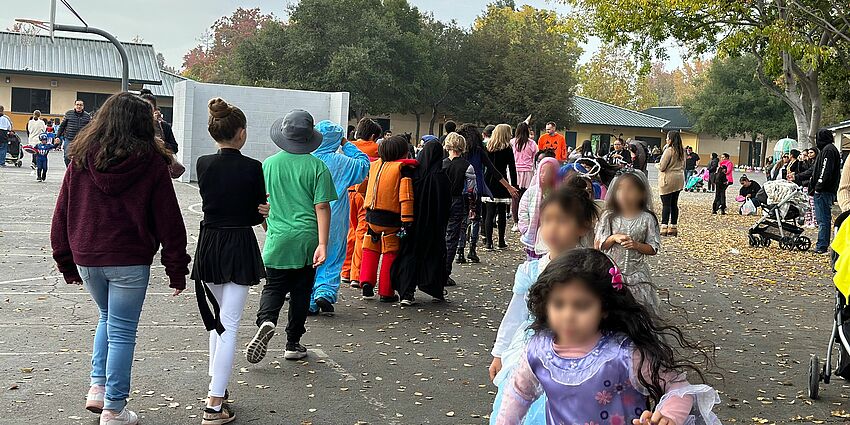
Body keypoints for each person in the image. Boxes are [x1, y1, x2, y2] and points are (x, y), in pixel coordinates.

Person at [50, 92, 190, 425]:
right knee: (123, 330)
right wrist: (176, 269)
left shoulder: (81, 157)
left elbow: (62, 213)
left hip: (87, 257)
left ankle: (98, 388)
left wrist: (65, 261)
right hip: (129, 259)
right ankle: (114, 407)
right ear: (143, 124)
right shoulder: (152, 163)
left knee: (107, 317)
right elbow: (169, 219)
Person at [494, 249, 720, 425]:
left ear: (604, 308)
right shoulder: (537, 351)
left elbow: (678, 388)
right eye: (559, 304)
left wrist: (668, 416)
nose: (568, 315)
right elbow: (518, 395)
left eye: (581, 306)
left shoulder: (625, 354)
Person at [489, 182, 600, 425]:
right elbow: (516, 313)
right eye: (547, 220)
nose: (552, 228)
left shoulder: (592, 269)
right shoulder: (531, 270)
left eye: (562, 220)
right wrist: (499, 352)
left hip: (575, 353)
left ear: (583, 226)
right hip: (529, 351)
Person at [190, 98, 266, 425]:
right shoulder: (253, 167)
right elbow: (254, 213)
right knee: (230, 323)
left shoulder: (203, 163)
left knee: (219, 321)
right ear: (241, 133)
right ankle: (214, 401)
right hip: (238, 243)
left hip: (209, 242)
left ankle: (216, 385)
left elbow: (217, 202)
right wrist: (262, 212)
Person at [246, 110, 336, 365]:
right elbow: (322, 207)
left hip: (278, 236)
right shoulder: (317, 167)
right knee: (301, 290)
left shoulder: (269, 165)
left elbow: (260, 203)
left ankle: (266, 320)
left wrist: (268, 226)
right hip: (307, 238)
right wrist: (322, 243)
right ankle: (293, 342)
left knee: (273, 286)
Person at [310, 120, 370, 315]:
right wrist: (346, 144)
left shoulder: (306, 159)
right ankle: (325, 292)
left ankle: (308, 298)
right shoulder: (343, 162)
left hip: (308, 215)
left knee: (309, 257)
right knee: (333, 254)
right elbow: (364, 164)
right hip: (335, 216)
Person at [357, 135, 417, 302]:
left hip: (371, 216)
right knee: (390, 253)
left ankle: (366, 282)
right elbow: (406, 197)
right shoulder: (403, 170)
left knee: (370, 248)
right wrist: (407, 220)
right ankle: (386, 291)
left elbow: (361, 187)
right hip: (392, 219)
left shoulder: (374, 166)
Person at [391, 141, 451, 304]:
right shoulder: (441, 177)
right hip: (432, 225)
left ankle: (406, 292)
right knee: (433, 255)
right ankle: (435, 288)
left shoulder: (411, 173)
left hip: (411, 223)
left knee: (410, 255)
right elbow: (446, 205)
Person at [595, 171, 661, 313]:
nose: (624, 194)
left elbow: (653, 248)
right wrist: (613, 238)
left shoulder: (647, 219)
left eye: (630, 189)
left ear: (641, 193)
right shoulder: (609, 217)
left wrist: (637, 245)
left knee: (636, 312)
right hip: (611, 274)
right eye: (620, 189)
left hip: (637, 275)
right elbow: (598, 245)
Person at [457, 124, 519, 263]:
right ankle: (472, 250)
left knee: (463, 220)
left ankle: (460, 250)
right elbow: (493, 170)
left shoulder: (461, 152)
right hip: (477, 188)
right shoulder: (479, 151)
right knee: (475, 219)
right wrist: (509, 186)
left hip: (462, 189)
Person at [342, 118, 382, 288]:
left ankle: (345, 271)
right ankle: (356, 275)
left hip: (346, 193)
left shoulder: (348, 147)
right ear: (373, 136)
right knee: (361, 233)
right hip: (364, 193)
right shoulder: (377, 149)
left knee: (349, 231)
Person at [442, 132, 476, 277]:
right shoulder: (467, 166)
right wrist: (472, 208)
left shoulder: (441, 164)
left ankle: (438, 270)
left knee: (441, 236)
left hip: (442, 202)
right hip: (457, 201)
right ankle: (446, 272)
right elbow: (471, 190)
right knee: (452, 237)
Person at [517, 158, 560, 260]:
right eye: (542, 171)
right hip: (534, 233)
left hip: (551, 234)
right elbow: (523, 210)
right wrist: (525, 228)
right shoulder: (531, 192)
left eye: (549, 172)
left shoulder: (559, 194)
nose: (544, 175)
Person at [484, 124, 518, 250]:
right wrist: (514, 185)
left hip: (489, 180)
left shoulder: (488, 147)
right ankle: (501, 241)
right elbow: (512, 168)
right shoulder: (507, 148)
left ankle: (488, 242)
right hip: (502, 180)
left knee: (489, 212)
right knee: (502, 212)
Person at [810, 128, 842, 254]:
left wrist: (819, 186)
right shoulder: (828, 149)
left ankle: (822, 245)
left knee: (823, 219)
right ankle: (822, 244)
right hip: (825, 190)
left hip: (824, 191)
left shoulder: (828, 150)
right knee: (823, 219)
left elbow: (825, 169)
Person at [657, 131, 685, 236]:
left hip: (668, 178)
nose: (666, 140)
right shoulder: (682, 151)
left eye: (667, 138)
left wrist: (657, 165)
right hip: (679, 178)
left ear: (671, 139)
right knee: (674, 203)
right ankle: (673, 226)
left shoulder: (669, 150)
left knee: (666, 204)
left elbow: (662, 166)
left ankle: (664, 226)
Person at [511, 122, 537, 231]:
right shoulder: (532, 144)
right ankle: (526, 221)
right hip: (528, 172)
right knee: (527, 197)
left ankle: (516, 222)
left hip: (515, 172)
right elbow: (535, 158)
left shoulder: (512, 142)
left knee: (515, 197)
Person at [57, 99, 93, 166]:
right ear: (74, 106)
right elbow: (62, 126)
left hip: (81, 140)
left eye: (80, 105)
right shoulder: (69, 114)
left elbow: (90, 128)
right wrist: (57, 136)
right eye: (77, 105)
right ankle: (69, 170)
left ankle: (77, 171)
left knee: (81, 157)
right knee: (67, 156)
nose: (79, 106)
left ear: (83, 106)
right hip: (69, 138)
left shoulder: (87, 116)